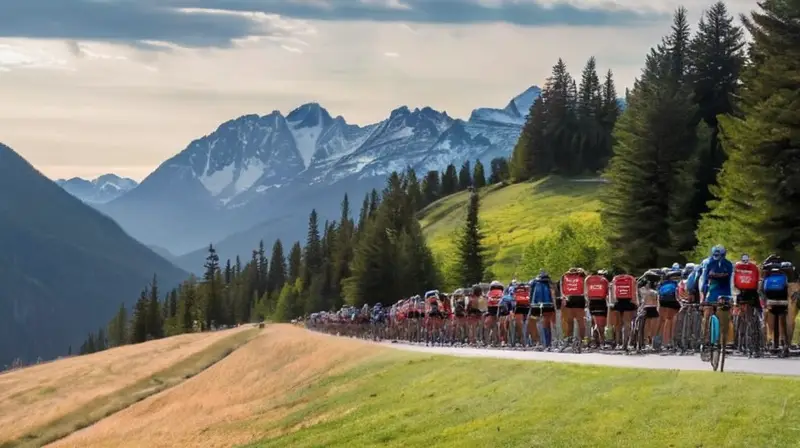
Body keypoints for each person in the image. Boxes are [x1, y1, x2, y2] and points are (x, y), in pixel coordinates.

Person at [700, 245, 734, 346]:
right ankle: (705, 339)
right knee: (707, 313)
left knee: (724, 318)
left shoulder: (728, 264)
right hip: (712, 293)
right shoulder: (709, 263)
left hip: (725, 293)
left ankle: (723, 340)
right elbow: (705, 281)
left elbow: (730, 280)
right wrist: (703, 297)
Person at [610, 270, 638, 349]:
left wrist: (612, 303)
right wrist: (635, 303)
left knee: (618, 324)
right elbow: (634, 292)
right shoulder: (631, 278)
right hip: (628, 302)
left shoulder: (615, 278)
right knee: (627, 323)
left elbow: (612, 292)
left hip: (618, 303)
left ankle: (617, 342)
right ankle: (625, 343)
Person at [561, 268, 588, 347]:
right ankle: (583, 341)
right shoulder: (582, 276)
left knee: (569, 322)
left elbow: (562, 290)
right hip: (580, 298)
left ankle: (569, 340)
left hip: (569, 298)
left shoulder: (565, 276)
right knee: (581, 322)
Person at [657, 265, 682, 351]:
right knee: (672, 319)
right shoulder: (679, 277)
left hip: (663, 300)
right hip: (673, 299)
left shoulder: (664, 281)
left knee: (664, 320)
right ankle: (670, 341)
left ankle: (662, 341)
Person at [531, 270, 556, 350]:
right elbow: (553, 294)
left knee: (540, 323)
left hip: (536, 305)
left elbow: (531, 295)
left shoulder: (535, 283)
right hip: (549, 305)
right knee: (549, 323)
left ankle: (543, 343)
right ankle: (549, 343)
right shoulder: (549, 283)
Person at [585, 270, 610, 348]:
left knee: (594, 323)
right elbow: (607, 294)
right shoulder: (604, 281)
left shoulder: (588, 280)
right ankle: (602, 342)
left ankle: (595, 341)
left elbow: (585, 293)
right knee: (601, 325)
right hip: (601, 302)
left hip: (591, 302)